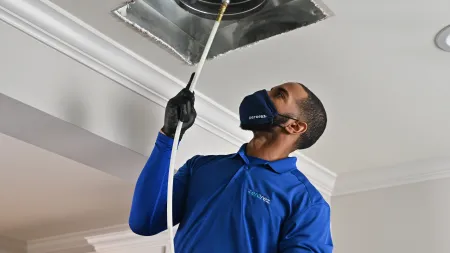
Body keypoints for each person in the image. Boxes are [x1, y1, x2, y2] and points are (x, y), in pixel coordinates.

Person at [129, 73, 333, 253]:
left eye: (279, 95)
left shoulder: (308, 203)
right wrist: (169, 136)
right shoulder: (200, 167)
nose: (264, 95)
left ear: (295, 126)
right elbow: (144, 221)